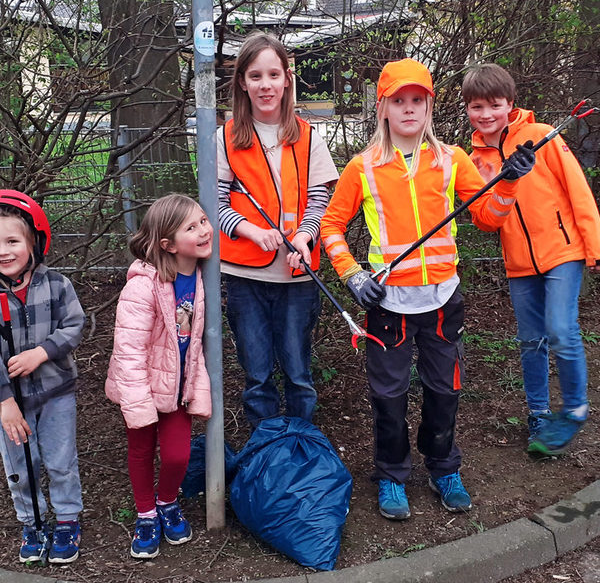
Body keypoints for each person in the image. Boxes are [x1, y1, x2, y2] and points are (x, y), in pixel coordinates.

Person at [320, 58, 535, 520]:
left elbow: (488, 217)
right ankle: (393, 475)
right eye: (399, 101)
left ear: (430, 106)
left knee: (444, 390)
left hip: (441, 302)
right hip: (388, 306)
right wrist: (352, 274)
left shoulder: (452, 159)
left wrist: (510, 181)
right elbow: (331, 226)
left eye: (418, 100)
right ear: (383, 108)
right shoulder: (363, 167)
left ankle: (443, 468)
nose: (409, 109)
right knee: (389, 396)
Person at [462, 63, 600, 456]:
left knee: (560, 329)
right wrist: (506, 179)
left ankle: (574, 408)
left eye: (494, 105)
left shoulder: (540, 137)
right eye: (476, 107)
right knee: (530, 340)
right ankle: (539, 413)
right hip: (520, 263)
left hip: (563, 252)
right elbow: (486, 221)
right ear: (467, 110)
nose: (486, 114)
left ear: (510, 104)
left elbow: (578, 189)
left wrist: (595, 246)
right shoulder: (475, 161)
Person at [217, 32, 338, 429]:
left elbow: (320, 203)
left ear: (287, 78)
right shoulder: (225, 138)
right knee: (257, 375)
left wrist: (304, 236)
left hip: (296, 275)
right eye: (255, 76)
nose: (265, 85)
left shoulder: (309, 137)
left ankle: (301, 449)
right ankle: (266, 450)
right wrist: (250, 230)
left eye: (273, 74)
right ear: (242, 82)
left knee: (299, 374)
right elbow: (214, 205)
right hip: (244, 276)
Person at [105, 194, 213, 559]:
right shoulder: (142, 285)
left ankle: (167, 501)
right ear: (167, 244)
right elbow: (129, 349)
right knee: (141, 450)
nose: (204, 230)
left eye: (203, 220)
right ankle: (146, 514)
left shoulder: (203, 277)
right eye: (192, 227)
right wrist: (138, 404)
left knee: (177, 456)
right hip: (142, 387)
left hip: (177, 388)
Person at [0, 190, 85, 564]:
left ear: (35, 241)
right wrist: (5, 402)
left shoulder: (57, 285)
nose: (3, 250)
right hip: (9, 404)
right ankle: (32, 522)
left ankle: (67, 519)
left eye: (12, 241)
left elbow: (75, 325)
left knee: (60, 459)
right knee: (21, 464)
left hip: (56, 393)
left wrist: (42, 352)